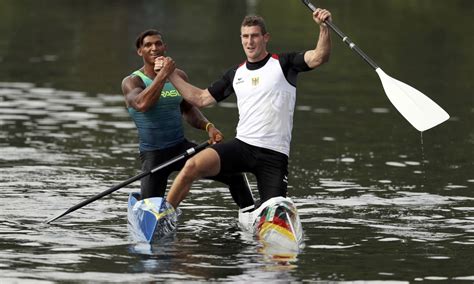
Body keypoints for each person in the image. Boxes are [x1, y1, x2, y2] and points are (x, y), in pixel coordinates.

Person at [161, 8, 332, 211]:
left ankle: (261, 212)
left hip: (274, 156)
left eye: (254, 36)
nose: (249, 42)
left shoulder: (285, 64)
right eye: (245, 36)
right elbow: (200, 98)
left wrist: (324, 27)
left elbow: (319, 56)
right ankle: (164, 216)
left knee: (275, 211)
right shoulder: (236, 74)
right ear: (241, 38)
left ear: (265, 38)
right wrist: (169, 74)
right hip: (242, 148)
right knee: (191, 166)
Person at [121, 29, 255, 211]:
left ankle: (251, 214)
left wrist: (208, 126)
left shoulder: (178, 76)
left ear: (164, 47)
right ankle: (149, 206)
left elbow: (187, 108)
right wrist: (162, 75)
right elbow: (142, 104)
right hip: (154, 155)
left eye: (158, 43)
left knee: (233, 173)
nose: (154, 48)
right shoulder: (132, 82)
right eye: (148, 45)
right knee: (151, 208)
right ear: (140, 51)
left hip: (181, 148)